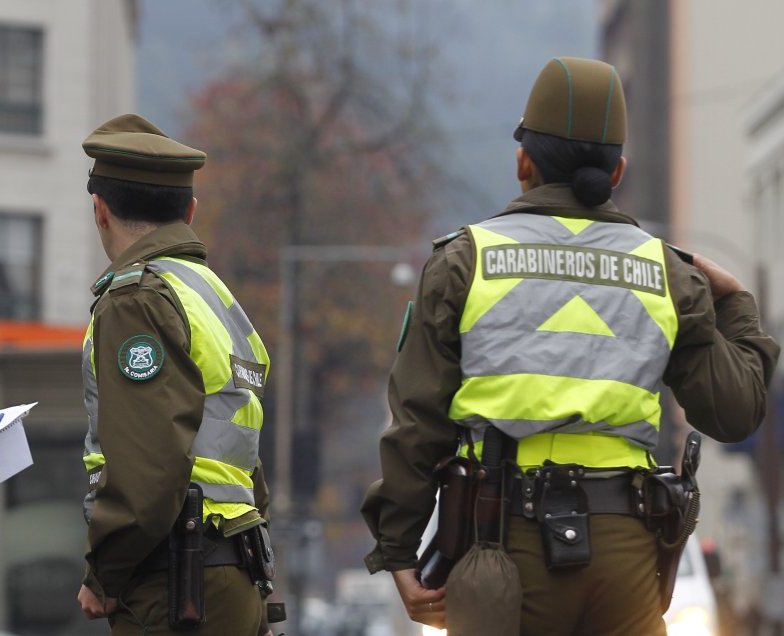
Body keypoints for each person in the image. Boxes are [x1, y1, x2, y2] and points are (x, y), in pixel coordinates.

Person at [361, 57, 780, 635]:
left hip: (505, 546)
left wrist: (399, 550)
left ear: (523, 163)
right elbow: (735, 413)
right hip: (630, 555)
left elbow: (418, 423)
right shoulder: (667, 273)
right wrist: (736, 305)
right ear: (617, 172)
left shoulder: (465, 261)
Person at [74, 114, 277, 635]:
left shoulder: (135, 300)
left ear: (100, 210)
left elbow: (151, 462)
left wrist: (105, 573)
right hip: (233, 570)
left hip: (175, 583)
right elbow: (242, 458)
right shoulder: (215, 296)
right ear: (188, 210)